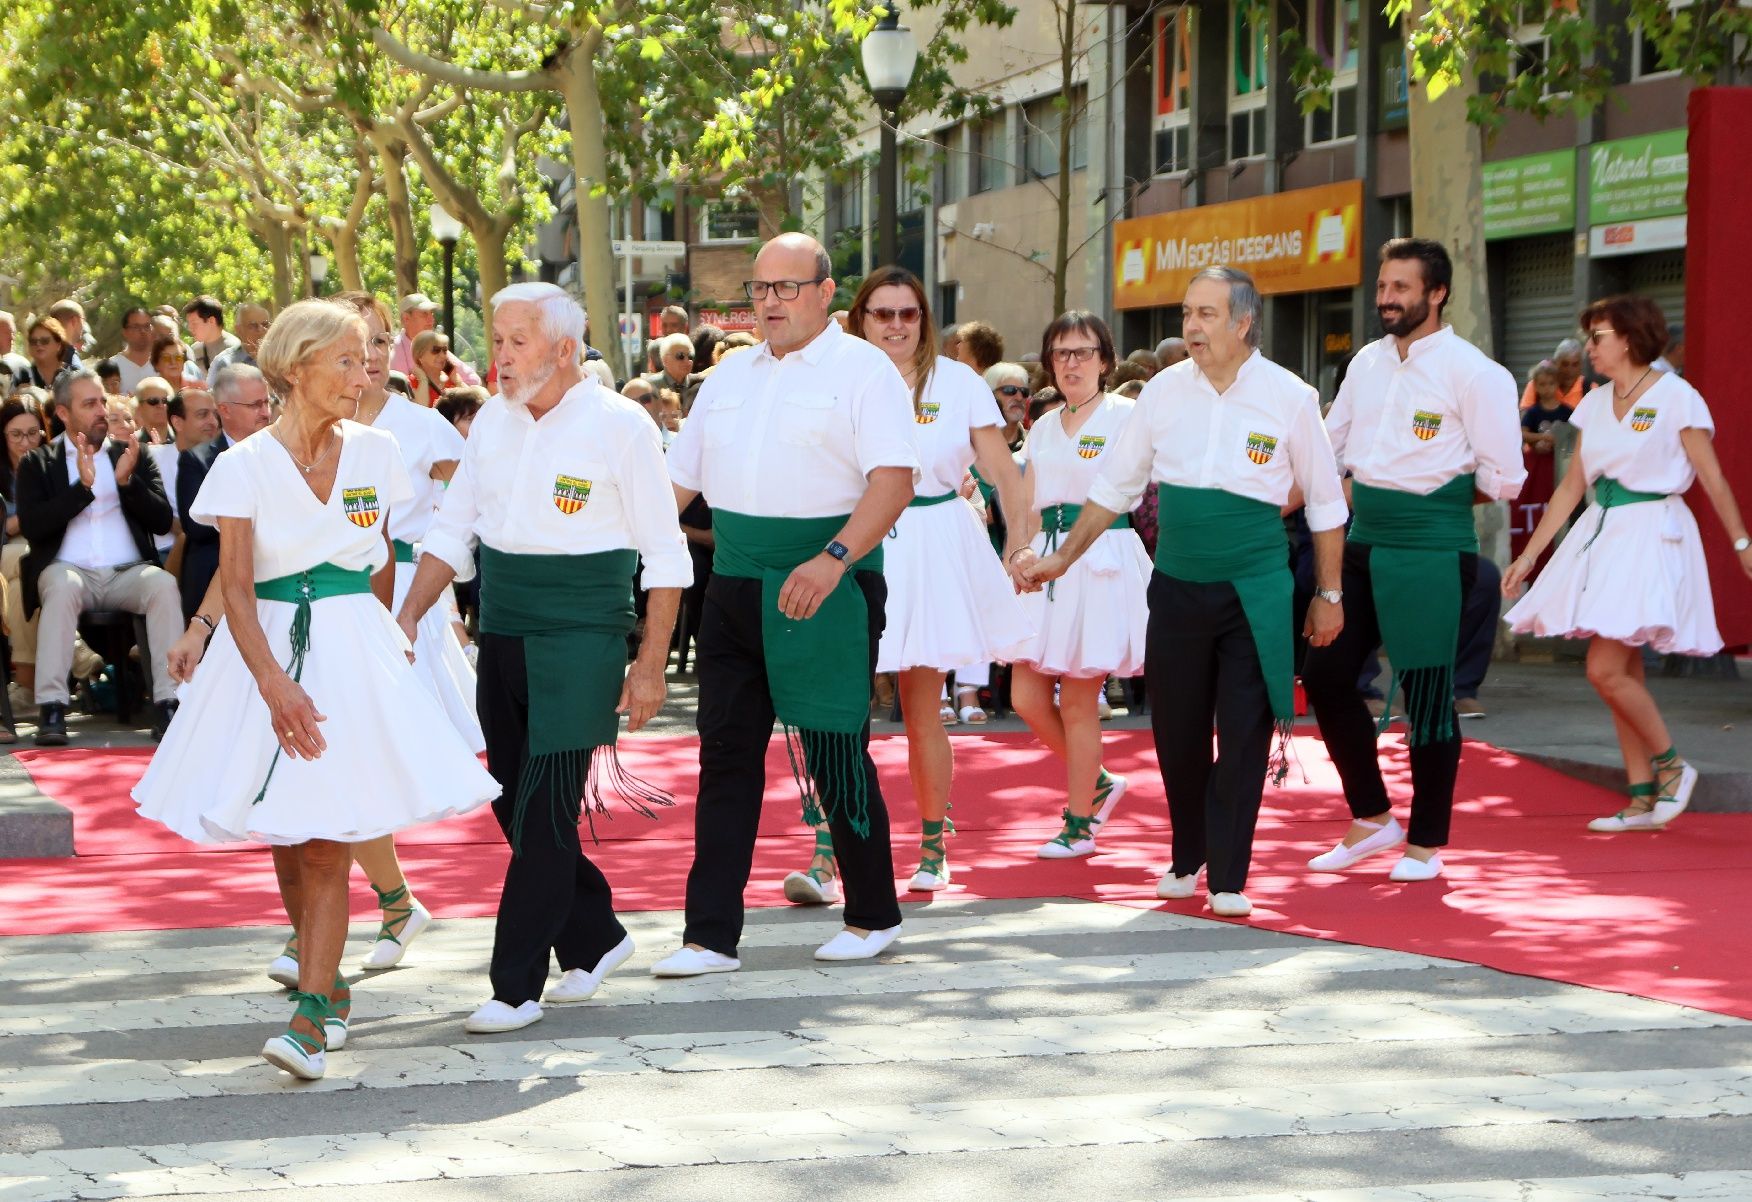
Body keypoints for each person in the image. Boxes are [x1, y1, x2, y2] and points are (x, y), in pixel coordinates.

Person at [134, 298, 499, 1080]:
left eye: (366, 360)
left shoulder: (376, 451)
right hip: (264, 650)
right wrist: (271, 682)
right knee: (291, 834)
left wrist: (385, 639)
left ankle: (309, 1017)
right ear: (296, 368)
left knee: (330, 835)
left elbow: (381, 556)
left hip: (351, 651)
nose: (363, 376)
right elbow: (236, 587)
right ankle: (327, 986)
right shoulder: (243, 465)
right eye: (347, 360)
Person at [397, 282, 690, 1034]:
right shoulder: (491, 422)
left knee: (544, 809)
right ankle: (596, 936)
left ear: (563, 349)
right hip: (504, 628)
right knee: (509, 799)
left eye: (515, 341)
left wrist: (649, 665)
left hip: (584, 636)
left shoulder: (621, 425)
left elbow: (665, 555)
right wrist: (406, 619)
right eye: (496, 339)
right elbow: (451, 530)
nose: (498, 356)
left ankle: (515, 986)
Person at [1026, 267, 1347, 916]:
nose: (1191, 326)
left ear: (1243, 322)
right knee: (1176, 729)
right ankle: (1187, 853)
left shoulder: (1290, 396)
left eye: (1206, 313)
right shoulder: (1164, 392)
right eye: (1187, 313)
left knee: (1245, 730)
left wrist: (1329, 594)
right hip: (1175, 585)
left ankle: (1228, 875)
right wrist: (1061, 557)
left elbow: (1325, 502)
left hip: (1254, 588)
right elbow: (1115, 487)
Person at [657, 232, 918, 976]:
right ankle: (709, 935)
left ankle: (873, 915)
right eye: (760, 288)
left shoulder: (864, 370)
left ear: (826, 292)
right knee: (725, 756)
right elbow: (677, 483)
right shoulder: (728, 378)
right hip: (735, 582)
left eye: (786, 287)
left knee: (836, 752)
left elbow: (894, 481)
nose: (769, 302)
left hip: (826, 582)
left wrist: (835, 558)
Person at [787, 266, 1031, 898]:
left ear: (924, 319)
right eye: (883, 313)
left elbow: (1004, 473)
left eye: (909, 313)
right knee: (839, 710)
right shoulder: (832, 376)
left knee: (924, 710)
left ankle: (932, 848)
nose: (896, 325)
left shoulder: (959, 382)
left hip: (932, 545)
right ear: (860, 319)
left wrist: (1019, 546)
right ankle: (826, 855)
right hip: (849, 545)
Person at [1301, 238, 1524, 882]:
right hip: (1362, 540)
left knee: (1427, 695)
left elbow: (1505, 477)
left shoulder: (1475, 373)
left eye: (1401, 287)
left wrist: (1427, 495)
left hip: (1433, 547)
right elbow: (1329, 446)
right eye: (1382, 286)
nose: (1386, 298)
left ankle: (1425, 843)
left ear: (1438, 293)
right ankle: (1373, 817)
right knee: (1325, 676)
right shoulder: (1366, 362)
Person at [1505, 295, 1752, 832]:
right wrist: (1528, 556)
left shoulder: (1677, 397)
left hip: (1653, 533)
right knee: (1623, 669)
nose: (1589, 348)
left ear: (1629, 338)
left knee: (1605, 668)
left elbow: (1712, 478)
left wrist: (1741, 542)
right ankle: (1641, 797)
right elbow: (1572, 486)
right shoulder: (1594, 402)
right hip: (1603, 533)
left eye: (1598, 337)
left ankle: (1673, 767)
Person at [1005, 311, 1151, 858]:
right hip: (1047, 562)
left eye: (1083, 352)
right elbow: (1030, 506)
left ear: (1105, 361)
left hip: (1101, 556)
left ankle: (1079, 825)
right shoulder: (1043, 426)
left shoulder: (1127, 416)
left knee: (1079, 698)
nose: (1071, 363)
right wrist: (1018, 553)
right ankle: (1099, 783)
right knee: (1025, 695)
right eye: (1061, 352)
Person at [14, 370, 182, 744]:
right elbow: (34, 527)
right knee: (61, 585)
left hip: (128, 572)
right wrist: (82, 489)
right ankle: (52, 707)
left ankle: (169, 702)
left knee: (163, 585)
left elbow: (160, 521)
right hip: (68, 571)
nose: (101, 411)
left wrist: (127, 483)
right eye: (89, 404)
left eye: (102, 402)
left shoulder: (131, 454)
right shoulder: (38, 463)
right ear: (63, 413)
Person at [178, 365, 274, 620]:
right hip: (219, 565)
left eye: (267, 402)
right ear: (225, 410)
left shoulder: (285, 453)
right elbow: (196, 528)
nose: (265, 413)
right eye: (255, 405)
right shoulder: (197, 460)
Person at [390, 294, 481, 386]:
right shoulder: (395, 354)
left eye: (431, 313)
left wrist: (456, 383)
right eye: (424, 314)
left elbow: (473, 380)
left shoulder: (437, 347)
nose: (431, 320)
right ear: (406, 318)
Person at [182, 297, 242, 382]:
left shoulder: (234, 349)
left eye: (194, 323)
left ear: (211, 321)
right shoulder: (195, 350)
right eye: (189, 324)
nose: (190, 328)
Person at [1521, 361, 1574, 454]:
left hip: (1561, 459)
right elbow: (1522, 434)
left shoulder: (1567, 411)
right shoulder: (1533, 412)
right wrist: (1542, 437)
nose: (1547, 388)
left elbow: (1575, 435)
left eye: (1551, 383)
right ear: (1535, 386)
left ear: (1557, 384)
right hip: (1537, 459)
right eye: (1542, 384)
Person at [1519, 337, 1585, 411]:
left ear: (1581, 365)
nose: (1569, 370)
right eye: (1565, 364)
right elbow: (1524, 414)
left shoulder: (1589, 388)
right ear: (1556, 363)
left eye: (1575, 365)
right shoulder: (1539, 383)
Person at [210, 303, 271, 375]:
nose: (261, 330)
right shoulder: (225, 363)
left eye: (265, 325)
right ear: (239, 330)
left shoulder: (279, 357)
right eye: (253, 326)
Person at [409, 329, 455, 405]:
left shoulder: (452, 380)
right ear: (420, 356)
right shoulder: (410, 383)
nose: (442, 356)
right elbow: (421, 407)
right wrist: (423, 380)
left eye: (444, 350)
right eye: (436, 350)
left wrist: (457, 381)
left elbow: (471, 404)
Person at [24, 315, 70, 390]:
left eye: (44, 341)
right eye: (33, 341)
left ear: (59, 345)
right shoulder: (21, 376)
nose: (38, 344)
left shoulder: (73, 376)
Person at [131, 376, 174, 445]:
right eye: (153, 401)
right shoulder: (131, 443)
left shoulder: (185, 439)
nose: (161, 405)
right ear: (140, 408)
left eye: (165, 400)